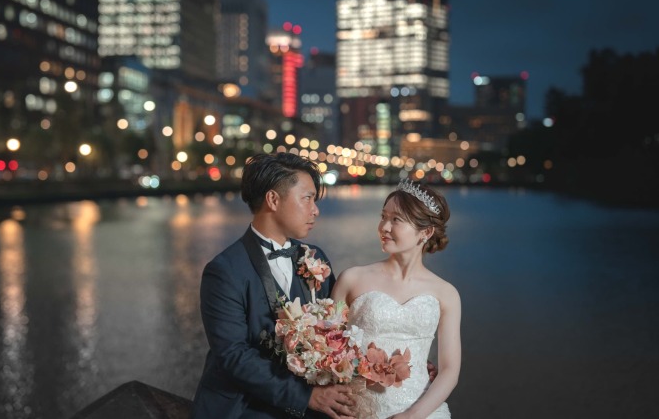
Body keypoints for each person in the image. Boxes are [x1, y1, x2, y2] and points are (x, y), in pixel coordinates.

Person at [192, 152, 357, 419]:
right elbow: (234, 356)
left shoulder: (315, 258)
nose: (315, 210)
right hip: (245, 407)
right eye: (307, 198)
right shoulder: (224, 271)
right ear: (273, 199)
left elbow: (338, 327)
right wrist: (306, 398)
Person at [331, 179, 461, 419]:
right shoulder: (352, 279)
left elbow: (450, 370)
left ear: (426, 232)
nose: (384, 227)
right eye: (383, 216)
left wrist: (412, 415)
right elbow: (329, 349)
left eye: (396, 220)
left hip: (423, 411)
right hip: (358, 409)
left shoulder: (446, 293)